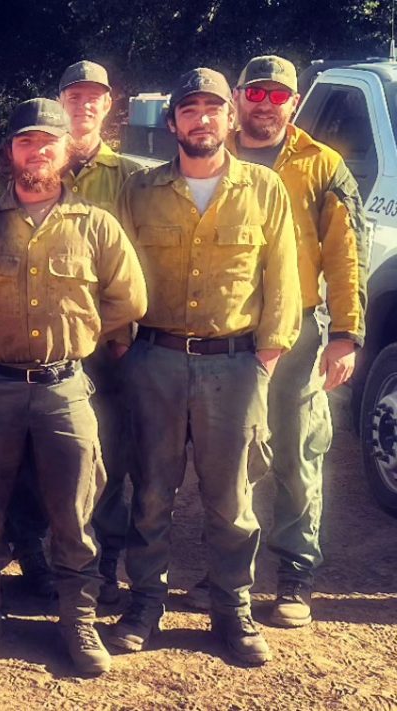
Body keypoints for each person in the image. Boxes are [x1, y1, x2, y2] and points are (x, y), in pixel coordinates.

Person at [0, 98, 146, 674]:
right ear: (11, 153)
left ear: (65, 151)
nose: (37, 152)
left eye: (47, 142)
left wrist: (79, 333)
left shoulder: (96, 225)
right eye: (26, 142)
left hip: (64, 389)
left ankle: (77, 621)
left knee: (75, 509)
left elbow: (129, 298)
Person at [111, 68, 301, 666]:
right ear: (172, 123)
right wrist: (123, 348)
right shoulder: (140, 191)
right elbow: (116, 272)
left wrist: (265, 360)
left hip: (236, 364)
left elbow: (284, 281)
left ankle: (232, 608)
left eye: (212, 109)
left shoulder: (264, 188)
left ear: (230, 117)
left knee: (231, 498)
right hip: (156, 361)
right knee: (150, 491)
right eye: (189, 110)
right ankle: (144, 601)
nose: (202, 119)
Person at [172, 55, 366, 627]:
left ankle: (295, 576)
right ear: (238, 97)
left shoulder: (322, 165)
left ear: (295, 102)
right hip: (228, 332)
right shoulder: (209, 152)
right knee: (231, 455)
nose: (266, 104)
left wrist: (348, 333)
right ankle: (229, 569)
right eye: (257, 93)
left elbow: (346, 255)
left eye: (279, 96)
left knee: (296, 453)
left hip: (299, 331)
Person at [57, 59, 146, 603]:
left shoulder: (133, 177)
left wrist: (119, 330)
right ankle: (48, 560)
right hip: (44, 341)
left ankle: (106, 561)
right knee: (49, 453)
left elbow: (142, 263)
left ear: (108, 105)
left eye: (95, 96)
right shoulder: (37, 163)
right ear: (61, 100)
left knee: (109, 451)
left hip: (110, 342)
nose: (84, 104)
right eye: (75, 95)